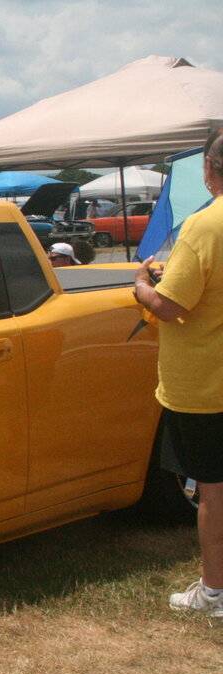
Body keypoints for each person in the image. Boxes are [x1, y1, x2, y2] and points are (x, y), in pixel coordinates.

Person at [134, 127, 223, 617]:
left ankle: (214, 591)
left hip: (207, 382)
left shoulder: (205, 226)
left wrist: (141, 285)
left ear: (209, 170)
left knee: (213, 490)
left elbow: (169, 306)